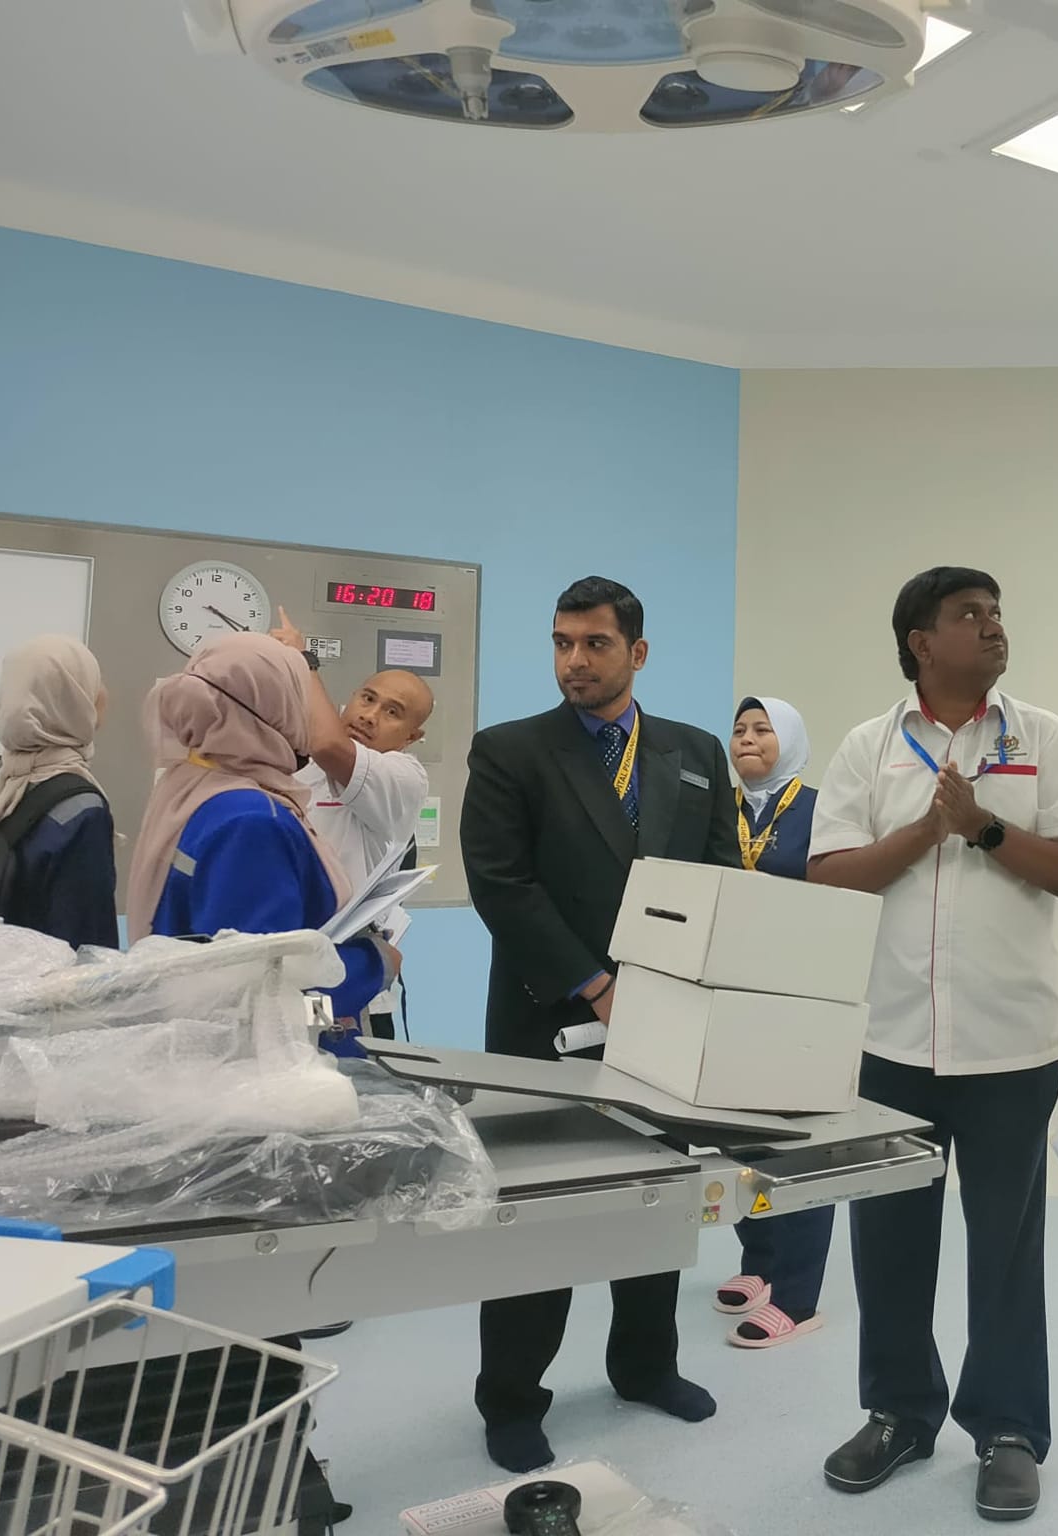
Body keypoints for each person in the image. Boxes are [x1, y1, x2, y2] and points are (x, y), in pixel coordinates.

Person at [809, 566, 1058, 1525]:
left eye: (996, 612)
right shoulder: (868, 746)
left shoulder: (1041, 738)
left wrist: (982, 827)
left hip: (1010, 1046)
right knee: (889, 1245)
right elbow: (830, 876)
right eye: (968, 615)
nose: (992, 626)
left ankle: (1009, 1431)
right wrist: (926, 830)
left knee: (1006, 1250)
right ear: (920, 642)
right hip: (892, 1042)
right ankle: (899, 1414)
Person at [461, 575, 741, 1476]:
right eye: (562, 643)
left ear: (637, 652)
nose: (574, 661)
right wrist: (595, 985)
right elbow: (502, 885)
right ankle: (512, 1398)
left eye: (595, 644)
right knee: (537, 1218)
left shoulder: (695, 752)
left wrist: (699, 992)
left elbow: (721, 880)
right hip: (545, 1020)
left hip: (665, 1022)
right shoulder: (511, 751)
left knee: (655, 1200)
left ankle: (646, 1366)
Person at [127, 632, 395, 1032]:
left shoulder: (189, 784)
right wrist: (373, 967)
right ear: (275, 708)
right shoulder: (253, 821)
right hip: (260, 1061)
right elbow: (264, 1007)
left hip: (190, 1040)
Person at [713, 695, 838, 1350]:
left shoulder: (823, 809)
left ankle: (797, 1293)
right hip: (730, 997)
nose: (747, 738)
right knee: (742, 1142)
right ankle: (759, 1260)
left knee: (801, 1144)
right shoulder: (718, 808)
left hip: (803, 997)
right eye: (739, 729)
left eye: (763, 729)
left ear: (790, 739)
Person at [271, 606, 434, 1040]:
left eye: (392, 712)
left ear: (411, 737)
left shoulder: (403, 777)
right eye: (367, 698)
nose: (369, 715)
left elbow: (329, 745)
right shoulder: (298, 762)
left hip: (346, 986)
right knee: (287, 1063)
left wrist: (304, 661)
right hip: (282, 970)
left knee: (331, 1064)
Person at [0, 635, 118, 948]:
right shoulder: (80, 808)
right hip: (37, 975)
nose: (103, 692)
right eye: (92, 682)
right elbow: (88, 940)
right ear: (73, 697)